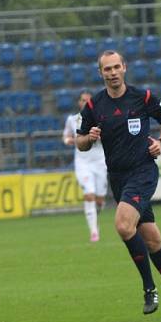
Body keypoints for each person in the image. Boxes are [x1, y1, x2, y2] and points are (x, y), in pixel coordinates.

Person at [76, 50, 161, 317]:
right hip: (117, 177)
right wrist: (90, 137)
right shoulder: (94, 106)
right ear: (101, 73)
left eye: (117, 67)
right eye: (107, 69)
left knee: (122, 225)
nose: (113, 72)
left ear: (125, 68)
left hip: (142, 172)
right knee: (152, 240)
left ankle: (149, 288)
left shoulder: (143, 97)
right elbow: (80, 141)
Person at [63, 90, 108, 242]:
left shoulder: (100, 118)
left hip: (100, 161)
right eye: (82, 100)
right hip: (83, 162)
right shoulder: (72, 119)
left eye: (88, 100)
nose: (85, 103)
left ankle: (96, 214)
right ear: (79, 102)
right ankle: (94, 231)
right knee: (89, 194)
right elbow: (67, 136)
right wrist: (69, 140)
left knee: (100, 200)